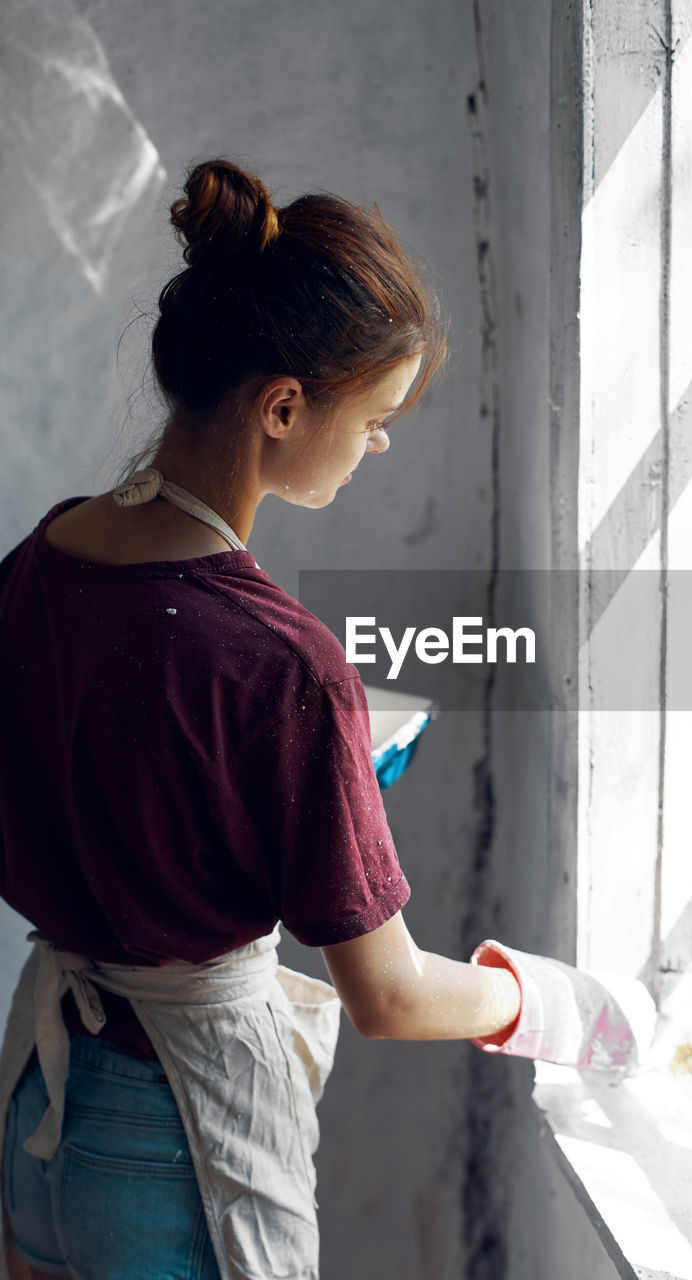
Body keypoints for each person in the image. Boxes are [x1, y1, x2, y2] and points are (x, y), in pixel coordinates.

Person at [0, 159, 650, 1280]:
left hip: (38, 1121)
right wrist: (559, 1002)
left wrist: (297, 779)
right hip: (178, 1149)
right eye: (377, 415)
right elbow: (387, 995)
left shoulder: (44, 554)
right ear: (286, 405)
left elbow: (101, 770)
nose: (381, 444)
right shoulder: (284, 665)